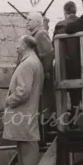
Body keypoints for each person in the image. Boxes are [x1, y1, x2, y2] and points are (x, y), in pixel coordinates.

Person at [3, 35, 44, 165]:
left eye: (18, 44)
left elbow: (23, 90)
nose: (16, 47)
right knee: (23, 138)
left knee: (27, 139)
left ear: (25, 46)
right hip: (28, 108)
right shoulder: (34, 62)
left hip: (23, 109)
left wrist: (9, 100)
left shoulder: (27, 64)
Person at [26, 11, 55, 143]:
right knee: (40, 106)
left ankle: (44, 137)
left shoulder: (41, 34)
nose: (27, 22)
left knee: (43, 106)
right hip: (39, 77)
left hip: (43, 78)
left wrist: (44, 72)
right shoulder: (35, 35)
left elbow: (48, 54)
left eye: (29, 20)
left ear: (37, 22)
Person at [53, 1, 80, 118]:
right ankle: (77, 116)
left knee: (62, 92)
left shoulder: (60, 25)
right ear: (75, 11)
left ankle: (62, 119)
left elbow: (54, 45)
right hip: (82, 64)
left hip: (65, 65)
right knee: (78, 93)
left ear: (65, 12)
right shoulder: (82, 23)